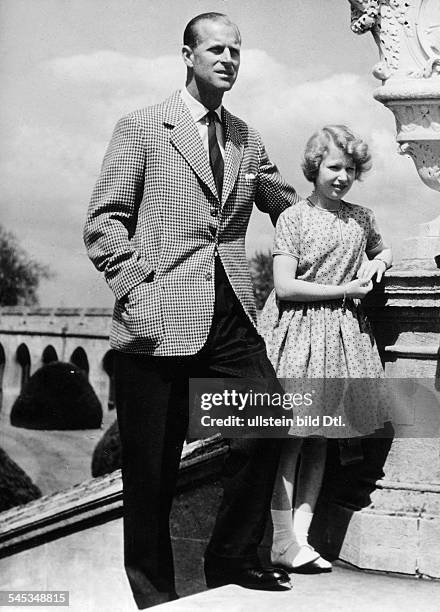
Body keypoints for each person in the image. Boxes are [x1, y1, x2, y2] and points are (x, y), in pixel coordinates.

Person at [84, 12, 299, 609]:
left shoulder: (246, 137)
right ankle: (153, 592)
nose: (228, 59)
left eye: (236, 50)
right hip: (156, 324)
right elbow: (103, 223)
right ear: (187, 55)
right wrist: (140, 288)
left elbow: (285, 203)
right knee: (150, 473)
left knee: (267, 421)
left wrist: (358, 229)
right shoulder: (144, 127)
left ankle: (231, 557)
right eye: (216, 49)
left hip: (231, 318)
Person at [259, 125, 392, 573]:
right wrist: (343, 289)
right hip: (297, 333)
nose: (342, 176)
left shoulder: (362, 217)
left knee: (320, 440)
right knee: (291, 440)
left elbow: (384, 250)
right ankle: (280, 539)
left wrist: (379, 261)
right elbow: (284, 286)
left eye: (351, 169)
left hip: (341, 339)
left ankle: (301, 539)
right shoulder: (294, 217)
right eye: (334, 167)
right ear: (315, 167)